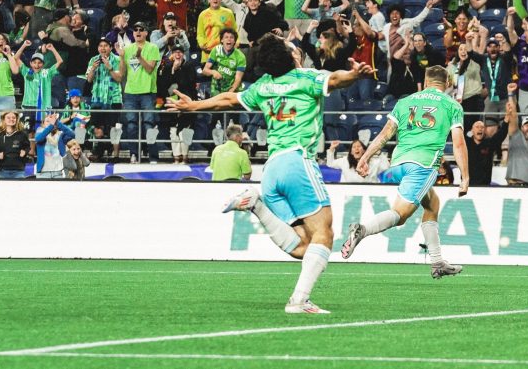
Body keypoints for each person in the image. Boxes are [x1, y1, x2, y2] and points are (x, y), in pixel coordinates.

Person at [168, 33, 374, 314]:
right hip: (298, 161)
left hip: (272, 169)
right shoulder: (306, 79)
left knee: (305, 246)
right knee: (324, 234)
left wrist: (193, 105)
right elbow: (337, 80)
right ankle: (299, 301)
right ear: (290, 57)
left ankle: (256, 204)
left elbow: (228, 98)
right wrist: (355, 73)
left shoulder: (263, 86)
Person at [340, 65, 469, 280]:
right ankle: (361, 230)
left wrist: (365, 157)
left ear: (426, 82)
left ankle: (437, 262)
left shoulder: (405, 102)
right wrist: (465, 177)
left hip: (398, 164)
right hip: (423, 165)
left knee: (432, 203)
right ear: (447, 84)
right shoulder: (451, 105)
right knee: (400, 216)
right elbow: (459, 143)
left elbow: (384, 134)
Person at [117, 22, 161, 163]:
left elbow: (149, 69)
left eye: (141, 29)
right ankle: (133, 154)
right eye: (135, 30)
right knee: (131, 125)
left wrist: (139, 56)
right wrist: (122, 57)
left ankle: (153, 156)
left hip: (147, 92)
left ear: (146, 33)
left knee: (149, 124)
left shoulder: (153, 47)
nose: (137, 32)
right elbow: (122, 73)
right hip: (130, 93)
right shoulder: (128, 48)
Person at [466, 120, 508, 186]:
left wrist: (506, 121)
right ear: (472, 131)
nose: (480, 129)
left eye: (482, 127)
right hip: (468, 186)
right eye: (477, 127)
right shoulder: (466, 144)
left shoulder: (489, 144)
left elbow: (501, 134)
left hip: (485, 187)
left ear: (485, 131)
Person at [35, 112, 75, 179]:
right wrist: (51, 125)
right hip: (43, 172)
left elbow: (72, 134)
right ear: (43, 124)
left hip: (58, 172)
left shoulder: (60, 134)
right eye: (47, 121)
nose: (50, 123)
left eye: (52, 121)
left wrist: (58, 123)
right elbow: (39, 139)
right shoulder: (39, 131)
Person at [0, 111, 28, 179]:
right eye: (8, 118)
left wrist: (25, 152)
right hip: (3, 171)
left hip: (19, 171)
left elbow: (27, 147)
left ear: (16, 119)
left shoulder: (22, 134)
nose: (11, 119)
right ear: (3, 119)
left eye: (13, 117)